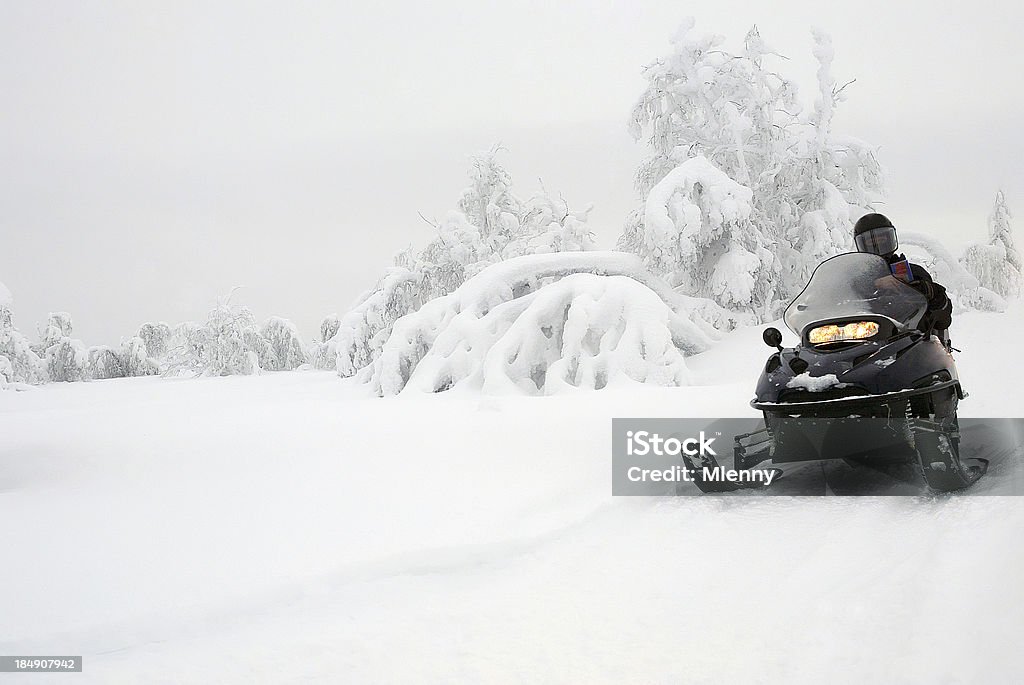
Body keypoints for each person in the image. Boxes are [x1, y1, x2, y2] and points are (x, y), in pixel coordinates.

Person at [853, 213, 953, 338]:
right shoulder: (857, 279)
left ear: (891, 239)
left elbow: (944, 318)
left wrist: (928, 291)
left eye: (882, 240)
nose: (877, 247)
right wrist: (875, 284)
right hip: (869, 344)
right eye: (870, 242)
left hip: (914, 342)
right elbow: (841, 305)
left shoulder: (915, 273)